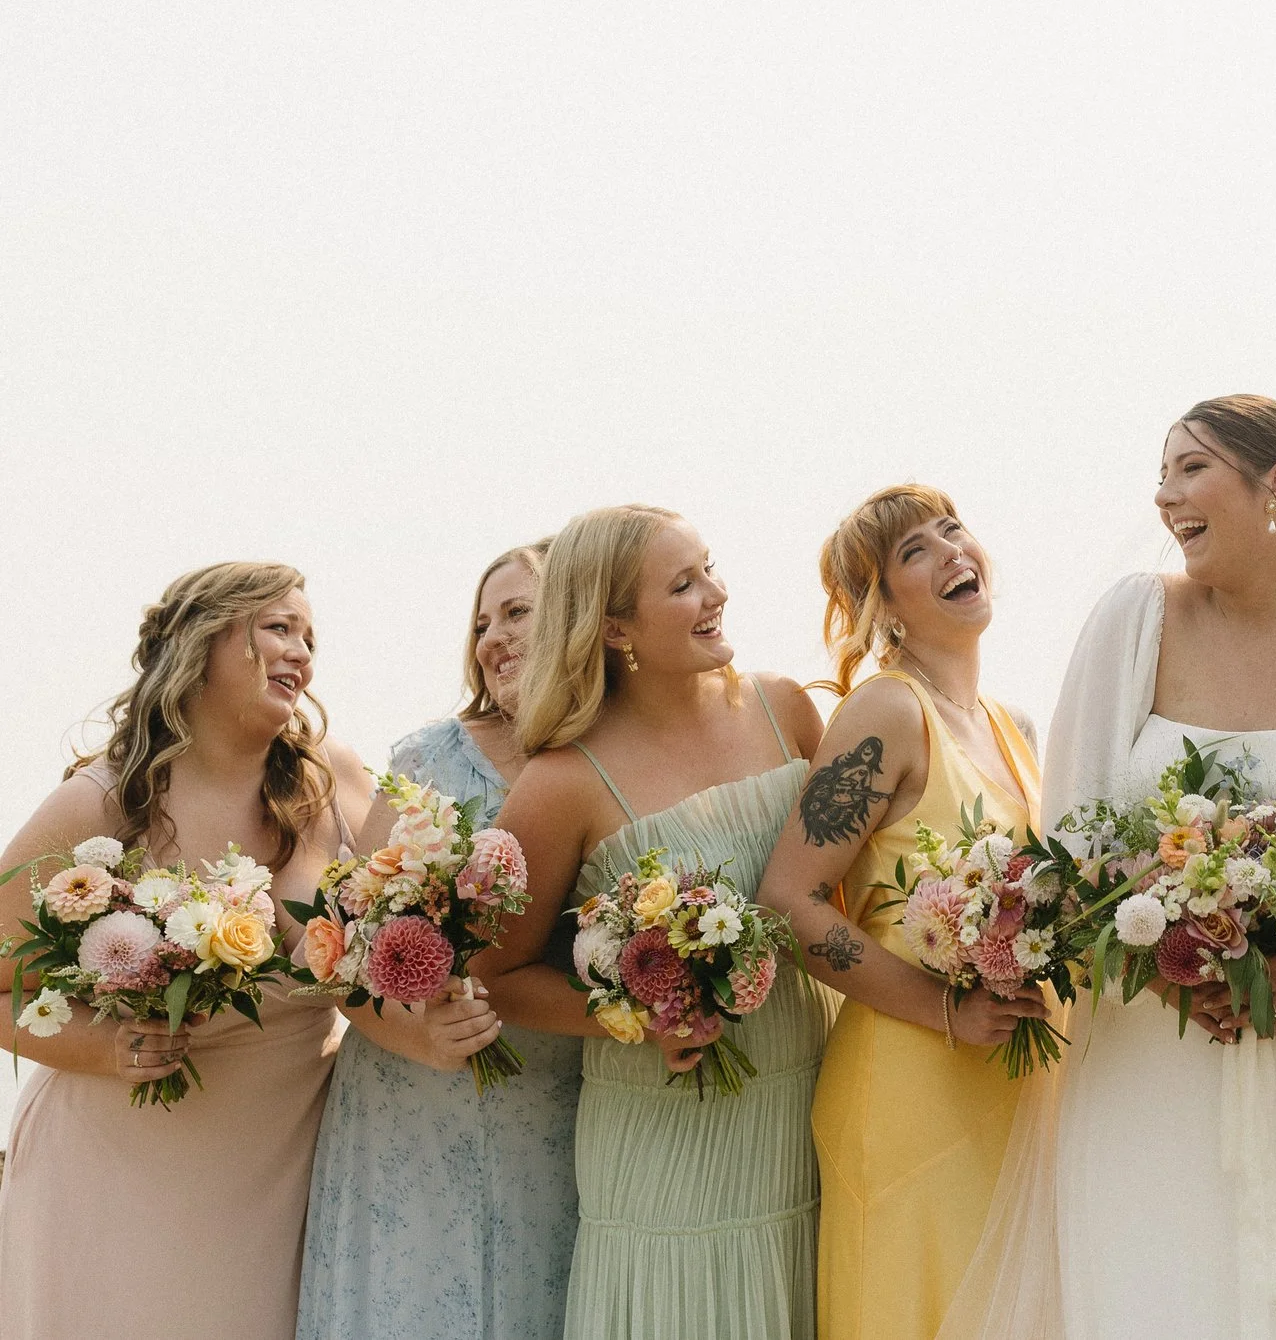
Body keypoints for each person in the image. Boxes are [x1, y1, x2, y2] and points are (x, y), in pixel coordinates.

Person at [945, 395, 1276, 1340]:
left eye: (1191, 468)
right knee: (1157, 1283)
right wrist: (1170, 966)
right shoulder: (1135, 619)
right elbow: (1074, 837)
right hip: (1153, 1041)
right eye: (1163, 472)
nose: (1166, 494)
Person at [474, 506, 832, 1340]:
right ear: (614, 626)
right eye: (684, 584)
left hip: (807, 1102)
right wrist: (636, 1019)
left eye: (709, 567)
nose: (717, 593)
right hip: (667, 1130)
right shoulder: (561, 781)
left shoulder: (788, 711)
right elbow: (497, 974)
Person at [0, 563, 374, 1340]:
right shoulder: (102, 803)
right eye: (278, 627)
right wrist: (102, 1045)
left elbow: (403, 923)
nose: (302, 651)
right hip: (113, 1177)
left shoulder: (331, 779)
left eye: (310, 636)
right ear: (202, 642)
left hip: (280, 1174)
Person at [757, 487, 1049, 1340]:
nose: (951, 550)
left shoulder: (1010, 725)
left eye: (952, 529)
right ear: (882, 607)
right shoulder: (888, 710)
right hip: (912, 1095)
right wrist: (946, 1008)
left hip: (1011, 1087)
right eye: (914, 551)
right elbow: (789, 897)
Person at [296, 539, 585, 1340]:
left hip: (557, 1098)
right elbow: (331, 946)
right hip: (411, 1102)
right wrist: (415, 1036)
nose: (491, 638)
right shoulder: (429, 757)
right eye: (482, 622)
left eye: (517, 611)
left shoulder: (613, 755)